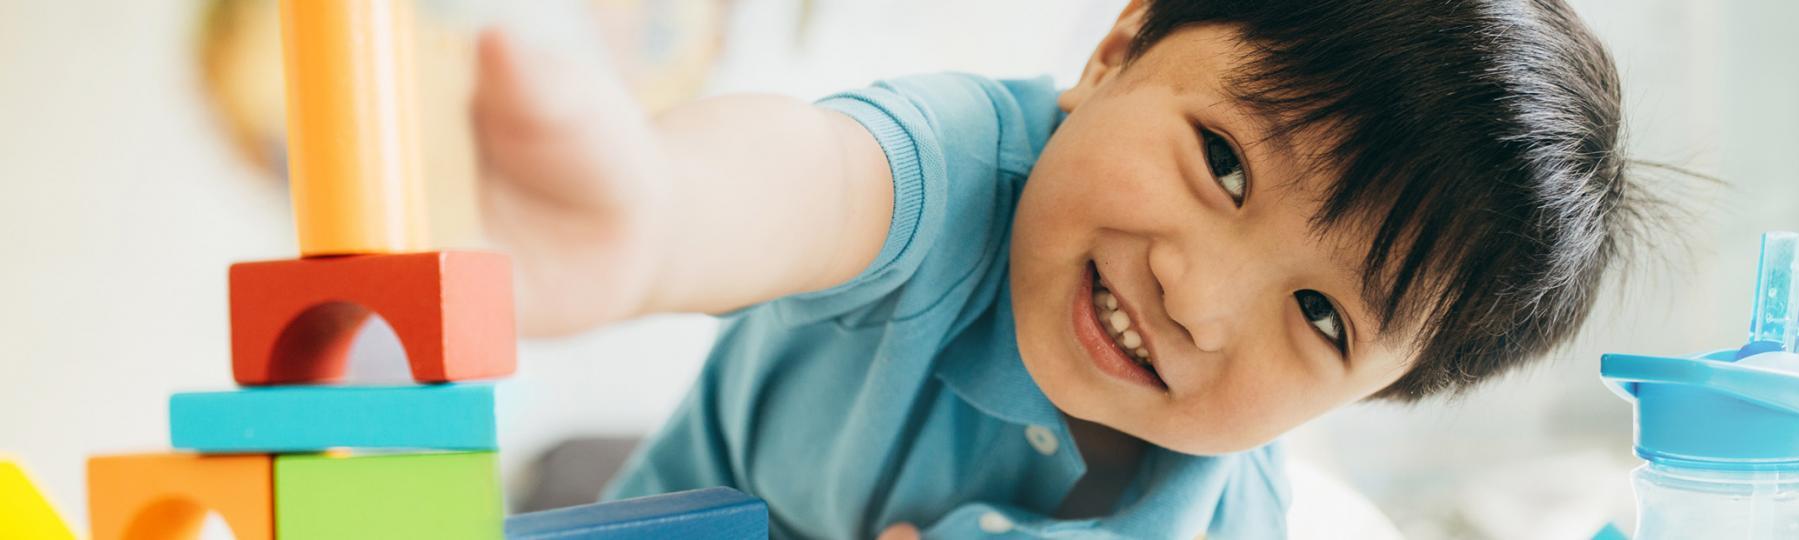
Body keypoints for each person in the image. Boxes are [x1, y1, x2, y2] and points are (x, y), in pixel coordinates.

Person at [472, 0, 1639, 537]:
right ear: (1115, 50)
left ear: (1366, 396)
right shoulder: (972, 169)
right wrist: (658, 216)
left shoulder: (1218, 520)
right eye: (1222, 164)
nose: (1200, 299)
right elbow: (816, 180)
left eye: (1322, 317)